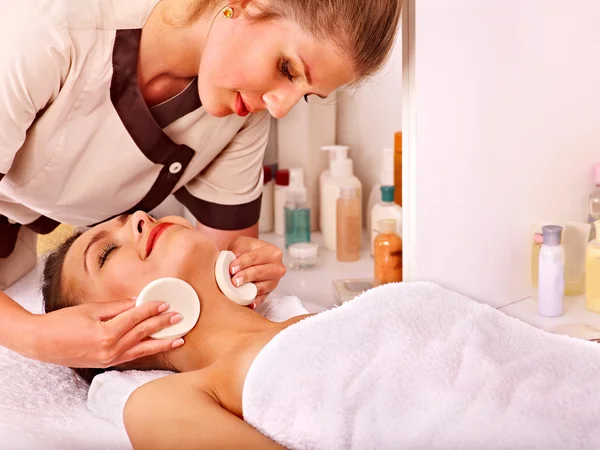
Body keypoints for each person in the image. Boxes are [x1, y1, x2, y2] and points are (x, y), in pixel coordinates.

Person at [0, 0, 402, 369]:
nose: (282, 107)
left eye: (307, 95)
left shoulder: (242, 116)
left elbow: (216, 274)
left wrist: (247, 274)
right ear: (244, 4)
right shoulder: (48, 35)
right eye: (287, 69)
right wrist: (31, 335)